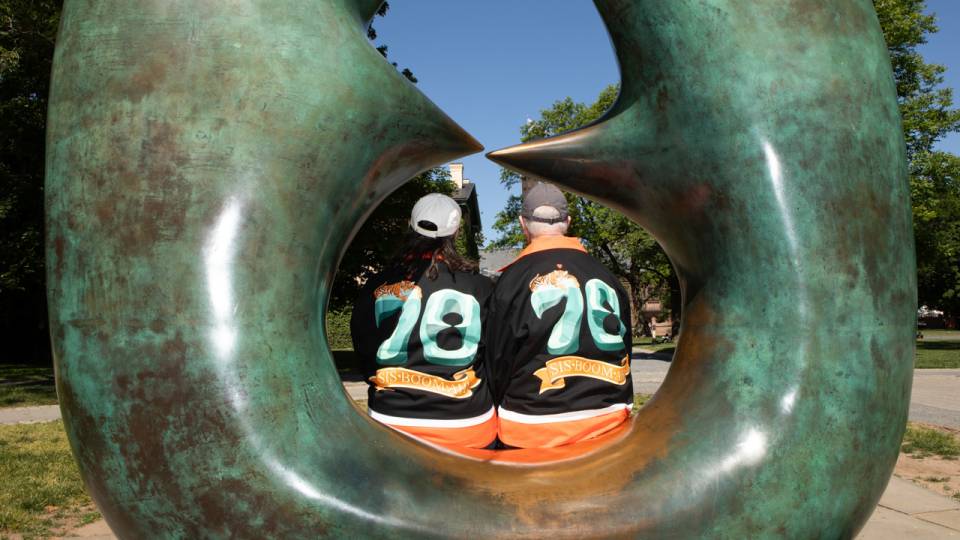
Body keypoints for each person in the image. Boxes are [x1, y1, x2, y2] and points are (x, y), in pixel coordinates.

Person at [485, 182, 634, 448]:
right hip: (608, 425)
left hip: (533, 426)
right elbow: (625, 349)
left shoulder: (511, 280)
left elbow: (498, 361)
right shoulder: (608, 276)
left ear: (522, 223)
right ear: (567, 221)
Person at [350, 193, 497, 449]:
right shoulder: (480, 286)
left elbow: (363, 348)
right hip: (464, 422)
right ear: (456, 232)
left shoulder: (378, 284)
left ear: (410, 225)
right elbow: (495, 356)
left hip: (392, 420)